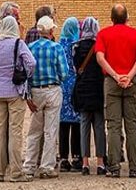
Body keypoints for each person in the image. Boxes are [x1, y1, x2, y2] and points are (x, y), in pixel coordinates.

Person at [95, 4, 136, 178]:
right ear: (127, 18)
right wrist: (130, 75)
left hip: (111, 83)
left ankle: (114, 167)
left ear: (111, 19)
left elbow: (100, 57)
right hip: (132, 84)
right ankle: (134, 167)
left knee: (113, 127)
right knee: (132, 126)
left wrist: (116, 76)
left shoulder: (103, 34)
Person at [0, 15, 36, 183]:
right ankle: (16, 172)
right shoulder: (18, 43)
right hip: (14, 91)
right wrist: (24, 75)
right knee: (15, 132)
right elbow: (31, 63)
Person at [23, 16, 68, 179]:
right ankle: (46, 166)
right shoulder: (56, 48)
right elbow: (64, 73)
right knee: (50, 130)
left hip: (36, 91)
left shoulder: (30, 48)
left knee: (34, 130)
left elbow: (26, 72)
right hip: (52, 90)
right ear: (50, 30)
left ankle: (29, 165)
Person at [72, 17, 107, 176]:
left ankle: (85, 162)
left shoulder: (77, 47)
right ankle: (100, 162)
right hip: (98, 88)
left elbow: (75, 68)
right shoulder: (100, 45)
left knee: (84, 126)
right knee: (99, 126)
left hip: (83, 89)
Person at [57, 18, 82, 172]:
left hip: (62, 87)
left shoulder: (59, 45)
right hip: (76, 87)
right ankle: (77, 156)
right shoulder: (77, 46)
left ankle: (64, 158)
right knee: (77, 123)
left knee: (63, 124)